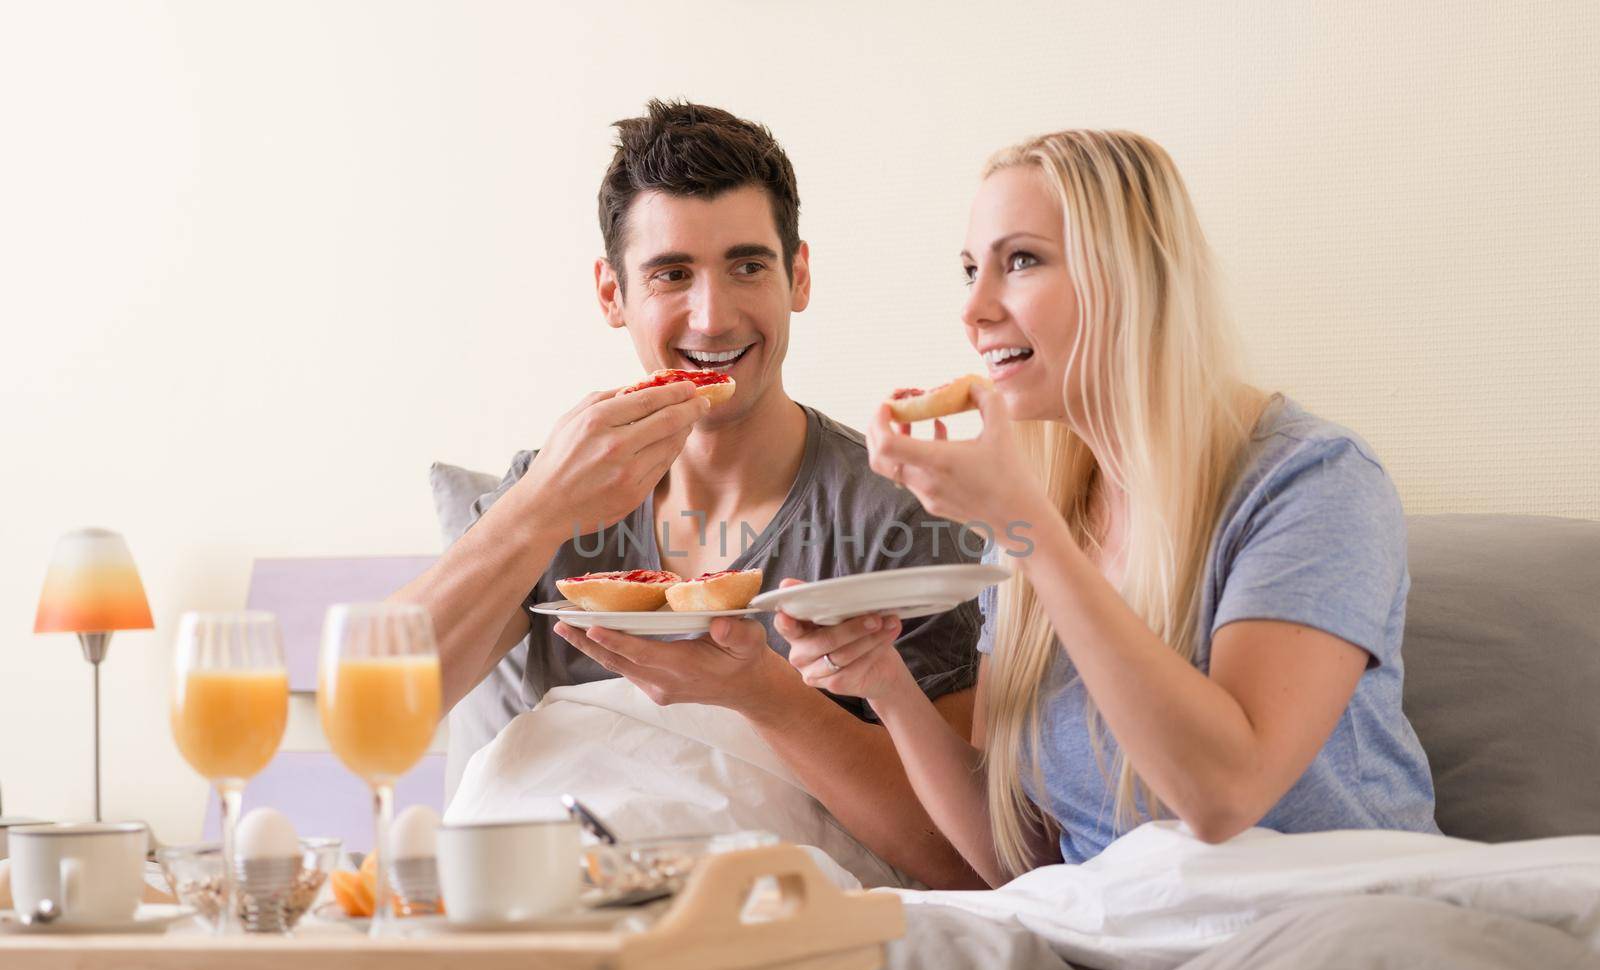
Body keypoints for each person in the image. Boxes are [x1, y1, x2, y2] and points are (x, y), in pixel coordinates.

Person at [777, 128, 1440, 885]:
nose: (975, 310)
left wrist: (1027, 531)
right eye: (969, 271)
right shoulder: (1039, 508)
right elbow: (1023, 861)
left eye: (1020, 260)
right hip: (1124, 944)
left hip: (1330, 922)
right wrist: (886, 686)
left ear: (1131, 275)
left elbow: (1224, 799)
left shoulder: (1312, 481)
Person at [395, 100, 986, 890]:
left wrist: (764, 696)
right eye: (672, 274)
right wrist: (536, 507)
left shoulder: (893, 516)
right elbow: (385, 704)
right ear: (613, 294)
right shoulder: (554, 493)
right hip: (551, 900)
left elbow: (964, 867)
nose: (713, 316)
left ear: (798, 275)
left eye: (748, 266)